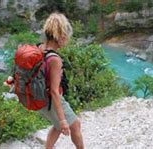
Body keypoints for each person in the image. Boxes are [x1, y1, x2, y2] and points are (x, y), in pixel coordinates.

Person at [39, 12, 84, 149]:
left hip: (38, 96)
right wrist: (64, 120)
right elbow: (54, 92)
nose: (67, 40)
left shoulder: (39, 48)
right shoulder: (54, 59)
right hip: (49, 99)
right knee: (75, 124)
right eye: (66, 37)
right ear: (61, 36)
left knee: (57, 126)